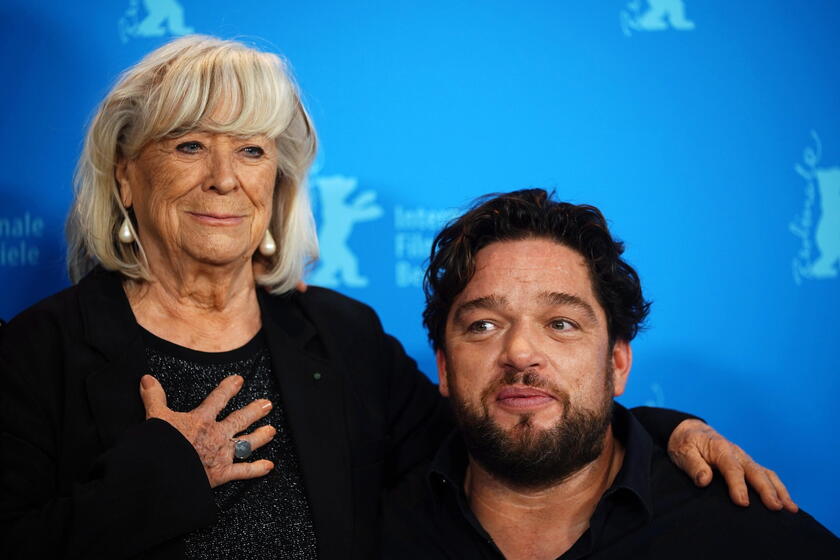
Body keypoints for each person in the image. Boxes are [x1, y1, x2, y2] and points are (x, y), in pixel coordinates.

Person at [0, 36, 794, 560]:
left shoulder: (339, 337)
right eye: (187, 145)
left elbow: (499, 422)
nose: (223, 177)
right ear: (127, 177)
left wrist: (663, 429)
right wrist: (165, 477)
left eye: (251, 150)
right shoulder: (40, 351)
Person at [384, 189, 839, 558]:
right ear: (444, 367)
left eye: (561, 324)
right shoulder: (370, 528)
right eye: (483, 326)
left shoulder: (741, 533)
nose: (520, 353)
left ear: (617, 363)